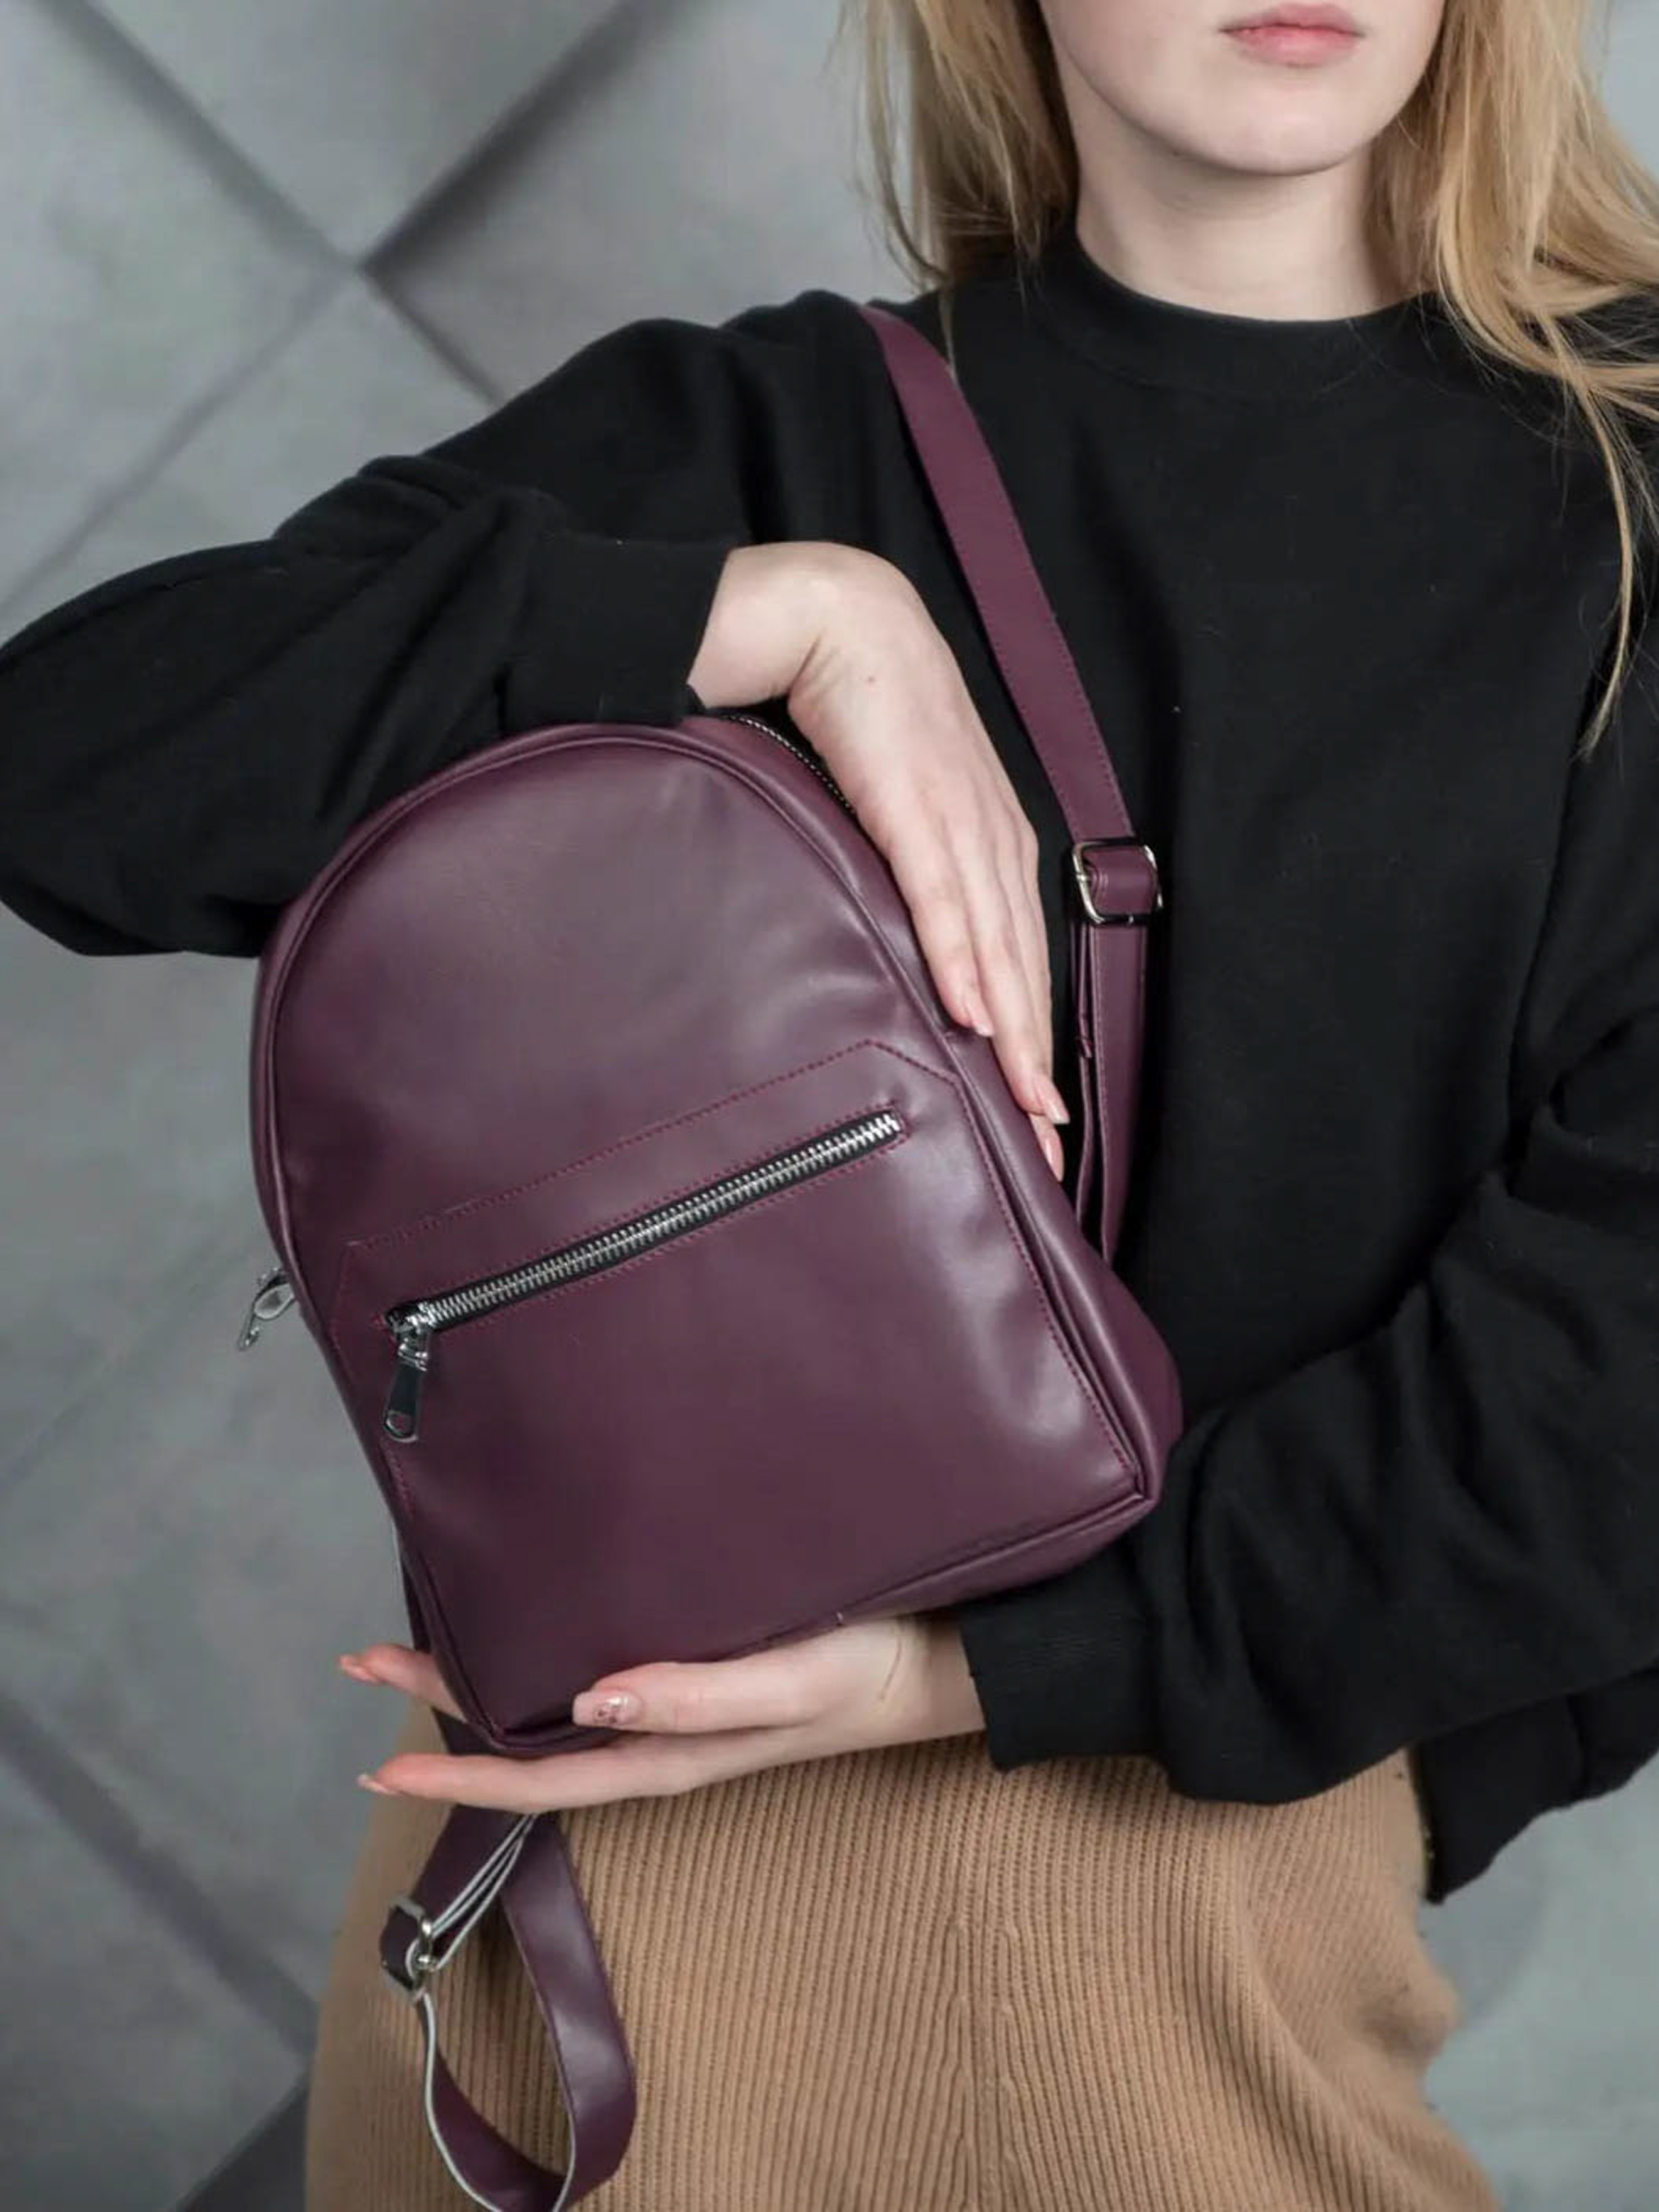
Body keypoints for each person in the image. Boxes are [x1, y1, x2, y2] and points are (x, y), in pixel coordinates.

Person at [5, 0, 1659, 2204]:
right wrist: (770, 614)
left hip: (1158, 1932)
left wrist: (993, 1670)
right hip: (569, 1954)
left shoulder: (1627, 490)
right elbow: (73, 757)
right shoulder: (781, 437)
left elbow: (1619, 1387)